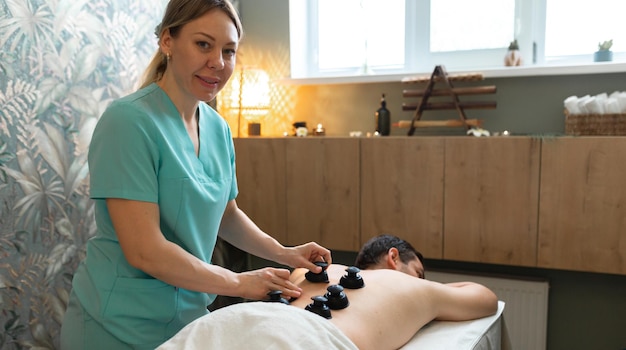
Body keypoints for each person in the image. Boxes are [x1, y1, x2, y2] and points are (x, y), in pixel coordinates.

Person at [60, 1, 331, 349]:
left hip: (187, 320)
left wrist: (283, 252)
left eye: (229, 50)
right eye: (204, 44)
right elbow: (145, 251)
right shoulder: (127, 122)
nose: (218, 62)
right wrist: (238, 282)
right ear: (168, 41)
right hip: (116, 325)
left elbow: (226, 215)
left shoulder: (217, 128)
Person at [158, 234, 499, 350]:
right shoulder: (408, 285)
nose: (421, 282)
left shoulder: (309, 272)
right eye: (420, 272)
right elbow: (483, 298)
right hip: (300, 338)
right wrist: (428, 288)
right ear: (394, 258)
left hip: (225, 325)